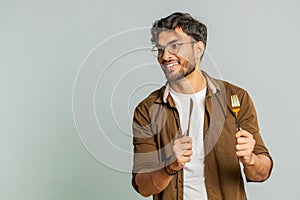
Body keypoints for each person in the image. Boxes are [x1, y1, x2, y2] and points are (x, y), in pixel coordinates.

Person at [131, 12, 273, 200]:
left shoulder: (236, 98)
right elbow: (143, 187)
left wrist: (250, 159)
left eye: (175, 46)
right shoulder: (147, 110)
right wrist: (169, 166)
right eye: (160, 49)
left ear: (198, 49)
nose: (165, 56)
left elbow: (261, 173)